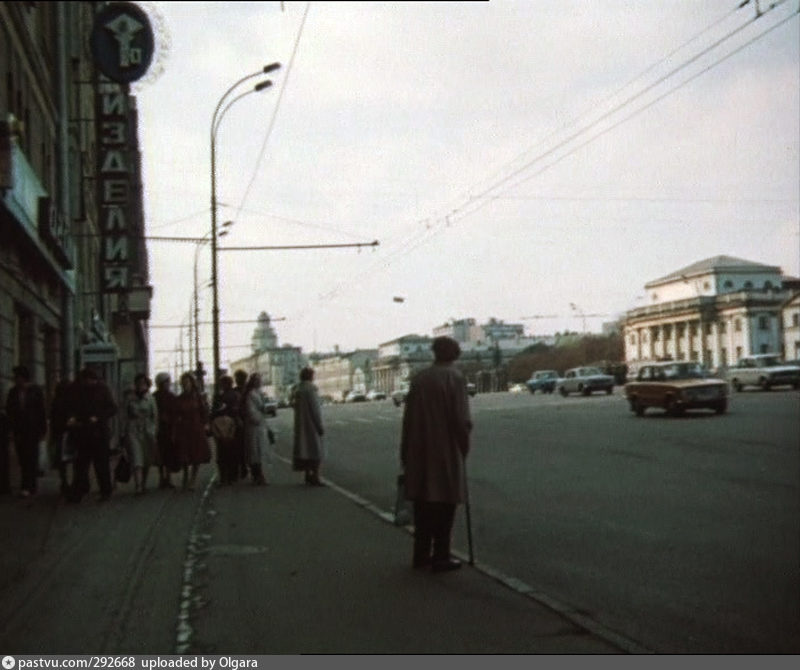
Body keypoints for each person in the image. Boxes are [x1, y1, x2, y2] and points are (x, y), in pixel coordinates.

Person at [400, 336, 472, 572]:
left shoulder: (420, 379)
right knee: (445, 503)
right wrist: (464, 444)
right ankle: (441, 555)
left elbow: (407, 419)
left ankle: (420, 554)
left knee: (423, 504)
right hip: (445, 449)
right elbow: (460, 419)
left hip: (419, 449)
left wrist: (405, 450)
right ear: (454, 353)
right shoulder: (454, 378)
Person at [67, 366, 118, 502]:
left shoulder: (102, 390)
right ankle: (79, 491)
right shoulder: (77, 390)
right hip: (82, 431)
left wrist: (98, 417)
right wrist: (73, 418)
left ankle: (105, 490)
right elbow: (72, 407)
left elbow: (112, 408)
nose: (87, 383)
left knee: (101, 464)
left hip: (98, 432)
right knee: (81, 465)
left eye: (89, 380)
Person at [5, 365, 47, 497]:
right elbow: (9, 410)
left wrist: (43, 430)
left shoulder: (35, 391)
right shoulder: (13, 392)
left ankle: (30, 486)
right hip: (19, 430)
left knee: (32, 458)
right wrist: (11, 428)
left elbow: (41, 411)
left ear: (23, 378)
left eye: (17, 377)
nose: (15, 380)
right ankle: (26, 485)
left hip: (32, 430)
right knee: (22, 459)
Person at [172, 372, 210, 491]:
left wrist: (205, 424)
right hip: (184, 428)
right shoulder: (179, 398)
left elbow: (204, 412)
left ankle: (192, 479)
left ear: (191, 384)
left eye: (187, 383)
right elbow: (175, 414)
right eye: (183, 383)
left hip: (196, 428)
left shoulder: (198, 397)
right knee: (184, 454)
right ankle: (185, 476)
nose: (185, 385)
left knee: (196, 454)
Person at [123, 374, 158, 495]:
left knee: (146, 459)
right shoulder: (130, 398)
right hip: (133, 430)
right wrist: (123, 432)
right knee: (137, 458)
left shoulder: (150, 398)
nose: (140, 386)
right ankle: (138, 486)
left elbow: (155, 416)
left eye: (143, 383)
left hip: (147, 431)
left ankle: (143, 483)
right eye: (138, 383)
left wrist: (154, 431)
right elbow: (124, 415)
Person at [292, 367, 325, 486]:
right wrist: (319, 425)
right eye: (313, 375)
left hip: (300, 425)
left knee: (304, 450)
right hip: (311, 425)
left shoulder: (297, 389)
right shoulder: (311, 389)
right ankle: (315, 476)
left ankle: (307, 475)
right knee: (315, 451)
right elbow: (315, 409)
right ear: (310, 376)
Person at [242, 373, 273, 486]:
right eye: (258, 380)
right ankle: (258, 475)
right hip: (253, 427)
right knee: (255, 451)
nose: (260, 382)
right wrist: (260, 417)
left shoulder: (258, 393)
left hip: (259, 426)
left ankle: (258, 475)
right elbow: (251, 412)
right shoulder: (251, 394)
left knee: (257, 451)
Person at [211, 375, 240, 485]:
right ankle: (232, 476)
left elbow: (214, 412)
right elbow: (237, 411)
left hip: (220, 425)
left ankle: (224, 476)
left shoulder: (219, 397)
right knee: (232, 453)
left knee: (222, 454)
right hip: (231, 425)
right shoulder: (235, 395)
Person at [49, 376, 74, 497]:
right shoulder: (73, 401)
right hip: (71, 433)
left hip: (60, 433)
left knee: (62, 461)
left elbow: (54, 420)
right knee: (73, 459)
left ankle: (64, 482)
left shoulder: (56, 401)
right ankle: (72, 482)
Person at [153, 372, 178, 488]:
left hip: (167, 429)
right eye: (166, 382)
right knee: (162, 454)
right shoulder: (161, 397)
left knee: (167, 454)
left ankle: (165, 477)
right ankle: (164, 477)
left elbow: (176, 414)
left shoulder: (161, 396)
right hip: (161, 429)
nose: (167, 384)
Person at [233, 369, 249, 480]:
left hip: (245, 420)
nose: (239, 380)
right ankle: (242, 467)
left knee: (242, 446)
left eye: (241, 378)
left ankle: (243, 467)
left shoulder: (247, 391)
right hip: (240, 420)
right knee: (241, 446)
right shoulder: (246, 391)